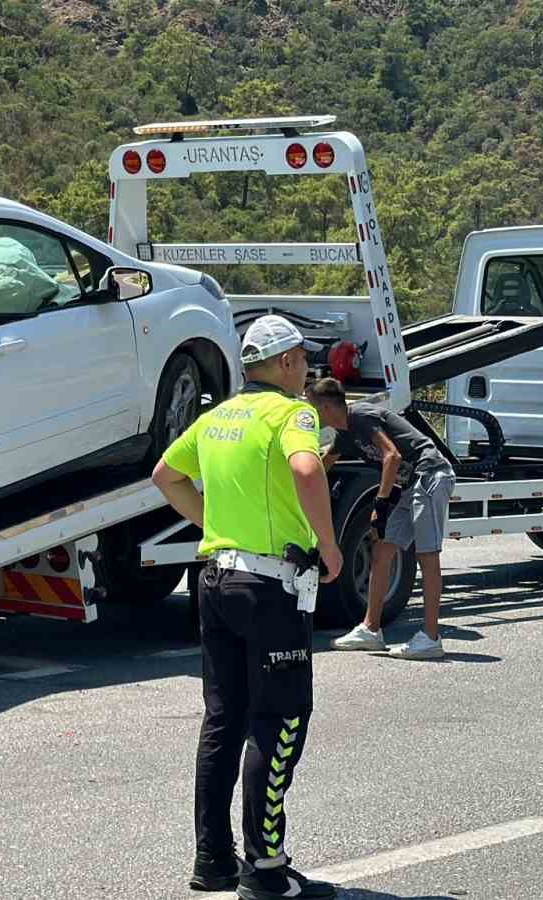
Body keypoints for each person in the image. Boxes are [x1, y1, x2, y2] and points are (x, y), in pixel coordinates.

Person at [152, 314, 343, 899]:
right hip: (269, 589)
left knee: (224, 721)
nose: (307, 369)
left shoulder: (218, 417)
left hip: (214, 581)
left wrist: (214, 523)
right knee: (279, 720)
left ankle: (213, 860)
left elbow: (165, 474)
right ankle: (264, 870)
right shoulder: (293, 413)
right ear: (285, 362)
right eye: (304, 359)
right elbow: (307, 467)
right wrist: (330, 547)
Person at [306, 377, 455, 660]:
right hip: (412, 484)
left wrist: (381, 502)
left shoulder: (360, 415)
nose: (309, 415)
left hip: (431, 474)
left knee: (427, 556)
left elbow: (392, 456)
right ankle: (371, 630)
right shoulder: (344, 433)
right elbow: (321, 466)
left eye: (311, 407)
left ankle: (431, 638)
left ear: (325, 406)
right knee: (382, 551)